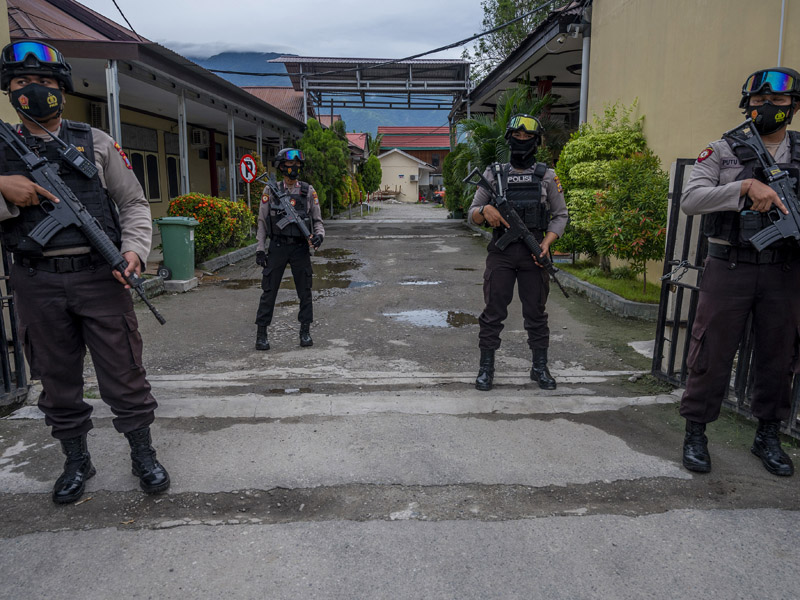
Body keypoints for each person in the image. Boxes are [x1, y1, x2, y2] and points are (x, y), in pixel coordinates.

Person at [0, 40, 170, 503]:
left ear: (62, 88)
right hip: (36, 280)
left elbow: (133, 203)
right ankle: (76, 461)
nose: (34, 90)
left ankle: (143, 455)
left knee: (124, 372)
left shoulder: (94, 141)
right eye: (22, 82)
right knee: (56, 379)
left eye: (44, 82)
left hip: (100, 275)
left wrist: (133, 251)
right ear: (9, 91)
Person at [679, 67, 800, 477]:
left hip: (785, 270)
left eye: (778, 100)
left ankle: (768, 434)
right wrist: (743, 189)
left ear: (793, 107)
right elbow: (691, 199)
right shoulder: (722, 150)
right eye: (759, 100)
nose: (767, 107)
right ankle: (696, 432)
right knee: (711, 352)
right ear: (746, 105)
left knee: (779, 356)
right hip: (729, 266)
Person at [467, 114, 568, 392]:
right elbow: (472, 214)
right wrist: (484, 210)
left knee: (536, 312)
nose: (522, 140)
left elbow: (560, 215)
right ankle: (486, 368)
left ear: (536, 141)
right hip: (502, 252)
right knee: (493, 311)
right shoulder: (494, 174)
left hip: (534, 254)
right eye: (517, 136)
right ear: (509, 139)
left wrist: (547, 243)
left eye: (528, 137)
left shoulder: (547, 176)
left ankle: (539, 367)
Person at [254, 148, 325, 350]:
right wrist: (260, 249)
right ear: (281, 167)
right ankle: (261, 334)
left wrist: (319, 236)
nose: (294, 168)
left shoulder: (308, 191)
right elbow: (262, 221)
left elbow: (317, 220)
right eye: (290, 164)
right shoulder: (271, 190)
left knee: (305, 291)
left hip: (300, 248)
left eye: (297, 164)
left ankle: (305, 332)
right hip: (277, 246)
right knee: (269, 291)